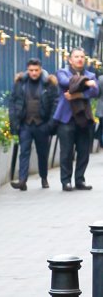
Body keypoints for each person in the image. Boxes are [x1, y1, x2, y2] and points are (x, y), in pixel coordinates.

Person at [8, 57, 58, 190]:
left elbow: (55, 103)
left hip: (42, 124)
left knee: (42, 153)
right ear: (27, 70)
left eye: (36, 70)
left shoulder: (48, 83)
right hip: (25, 124)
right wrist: (14, 122)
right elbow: (12, 102)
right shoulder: (20, 83)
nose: (34, 73)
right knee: (24, 152)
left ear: (40, 70)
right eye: (31, 70)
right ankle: (22, 180)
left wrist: (50, 124)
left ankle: (44, 177)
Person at [53, 48, 99, 191]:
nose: (80, 59)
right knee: (66, 152)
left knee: (83, 152)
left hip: (84, 118)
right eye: (76, 56)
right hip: (66, 119)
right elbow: (66, 83)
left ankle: (80, 180)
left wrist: (77, 95)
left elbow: (95, 91)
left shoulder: (91, 74)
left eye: (82, 57)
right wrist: (86, 83)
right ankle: (66, 181)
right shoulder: (62, 72)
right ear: (70, 60)